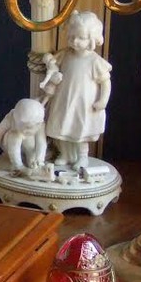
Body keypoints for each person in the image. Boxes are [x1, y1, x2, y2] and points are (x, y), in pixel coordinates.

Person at [42, 10, 112, 170]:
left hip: (83, 103)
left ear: (92, 39)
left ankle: (82, 157)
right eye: (72, 36)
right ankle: (65, 154)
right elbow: (52, 61)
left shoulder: (95, 61)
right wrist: (49, 62)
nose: (74, 41)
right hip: (64, 98)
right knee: (62, 127)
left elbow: (105, 83)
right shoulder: (66, 54)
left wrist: (103, 100)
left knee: (80, 130)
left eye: (81, 38)